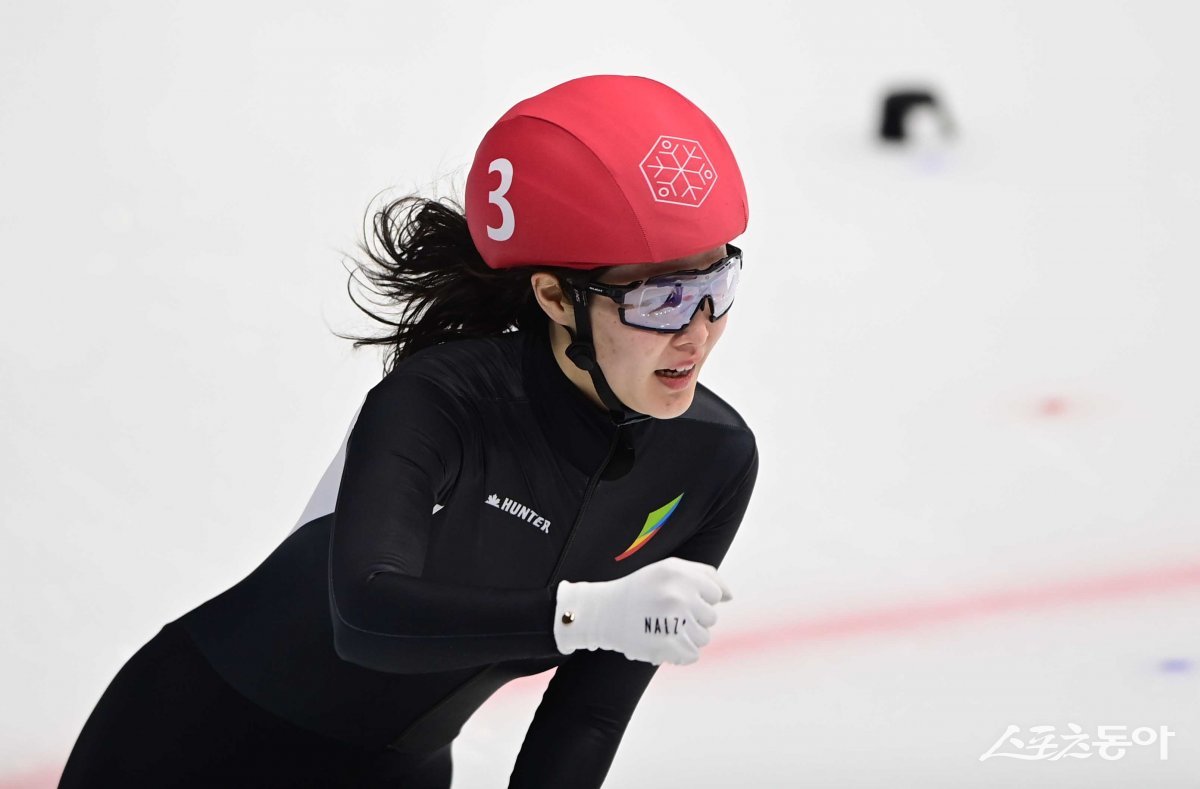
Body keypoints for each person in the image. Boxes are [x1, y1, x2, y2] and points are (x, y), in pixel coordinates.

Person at [59, 73, 759, 788]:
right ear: (554, 296)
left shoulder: (712, 460)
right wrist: (584, 615)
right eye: (662, 300)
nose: (698, 332)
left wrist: (594, 623)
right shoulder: (441, 400)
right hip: (194, 746)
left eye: (716, 288)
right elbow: (366, 616)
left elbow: (590, 714)